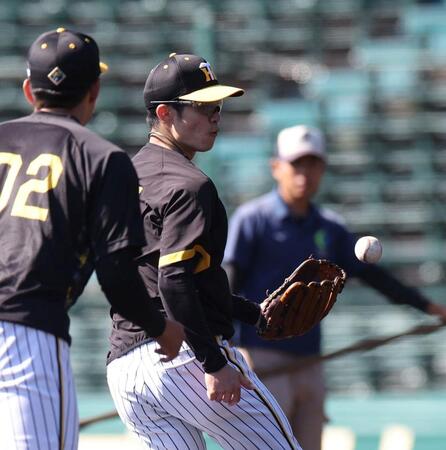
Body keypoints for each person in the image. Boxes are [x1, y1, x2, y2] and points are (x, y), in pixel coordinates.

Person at [0, 28, 184, 450]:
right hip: (27, 334)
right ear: (94, 91)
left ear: (29, 89)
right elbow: (117, 275)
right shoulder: (102, 157)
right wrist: (160, 328)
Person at [106, 53, 301, 450]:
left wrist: (249, 311)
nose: (215, 116)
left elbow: (167, 278)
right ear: (164, 113)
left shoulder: (122, 177)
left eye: (218, 106)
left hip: (126, 368)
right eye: (202, 107)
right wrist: (213, 362)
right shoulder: (190, 185)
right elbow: (173, 281)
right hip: (183, 356)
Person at [224, 124, 446, 450]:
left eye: (313, 164)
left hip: (310, 361)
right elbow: (229, 280)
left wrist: (429, 307)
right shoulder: (252, 218)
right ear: (276, 167)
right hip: (261, 359)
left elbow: (375, 277)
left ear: (323, 168)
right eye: (296, 163)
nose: (305, 173)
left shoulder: (329, 227)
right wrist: (227, 345)